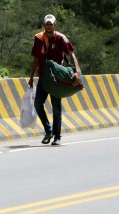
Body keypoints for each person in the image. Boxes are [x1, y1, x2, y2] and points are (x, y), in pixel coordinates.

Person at [28, 14, 81, 146]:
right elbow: (35, 59)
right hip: (43, 77)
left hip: (56, 78)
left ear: (55, 25)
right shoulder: (38, 38)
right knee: (38, 104)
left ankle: (57, 136)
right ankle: (48, 131)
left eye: (51, 24)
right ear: (44, 25)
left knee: (56, 108)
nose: (49, 26)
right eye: (47, 24)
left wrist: (77, 71)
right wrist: (31, 77)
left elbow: (71, 54)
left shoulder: (61, 38)